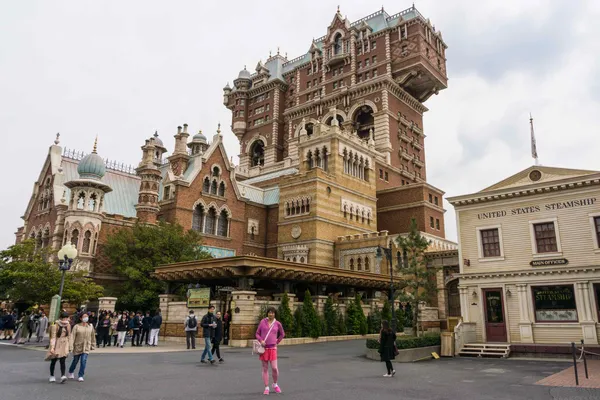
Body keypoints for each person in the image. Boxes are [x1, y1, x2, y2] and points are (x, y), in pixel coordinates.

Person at [255, 307, 285, 395]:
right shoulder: (262, 322)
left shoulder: (277, 323)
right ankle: (266, 387)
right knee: (265, 368)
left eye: (272, 313)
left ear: (275, 314)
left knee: (274, 368)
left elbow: (282, 334)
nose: (271, 314)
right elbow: (257, 333)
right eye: (269, 312)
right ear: (267, 313)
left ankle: (275, 384)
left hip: (273, 348)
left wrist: (277, 341)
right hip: (264, 349)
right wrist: (261, 340)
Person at [68, 312, 95, 382]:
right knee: (75, 361)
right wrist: (70, 346)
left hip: (86, 346)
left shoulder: (90, 326)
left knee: (83, 361)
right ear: (80, 318)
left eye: (87, 316)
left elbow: (93, 336)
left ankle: (80, 375)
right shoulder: (76, 326)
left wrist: (93, 345)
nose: (86, 318)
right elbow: (72, 337)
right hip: (77, 346)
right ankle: (71, 371)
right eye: (84, 316)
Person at [45, 312, 71, 383]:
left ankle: (63, 375)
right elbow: (53, 337)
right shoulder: (55, 325)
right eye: (64, 318)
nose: (65, 319)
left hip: (64, 344)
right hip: (57, 343)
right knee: (53, 360)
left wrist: (69, 346)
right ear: (61, 318)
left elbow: (69, 336)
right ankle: (52, 375)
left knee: (63, 360)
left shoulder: (68, 325)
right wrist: (52, 347)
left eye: (66, 318)